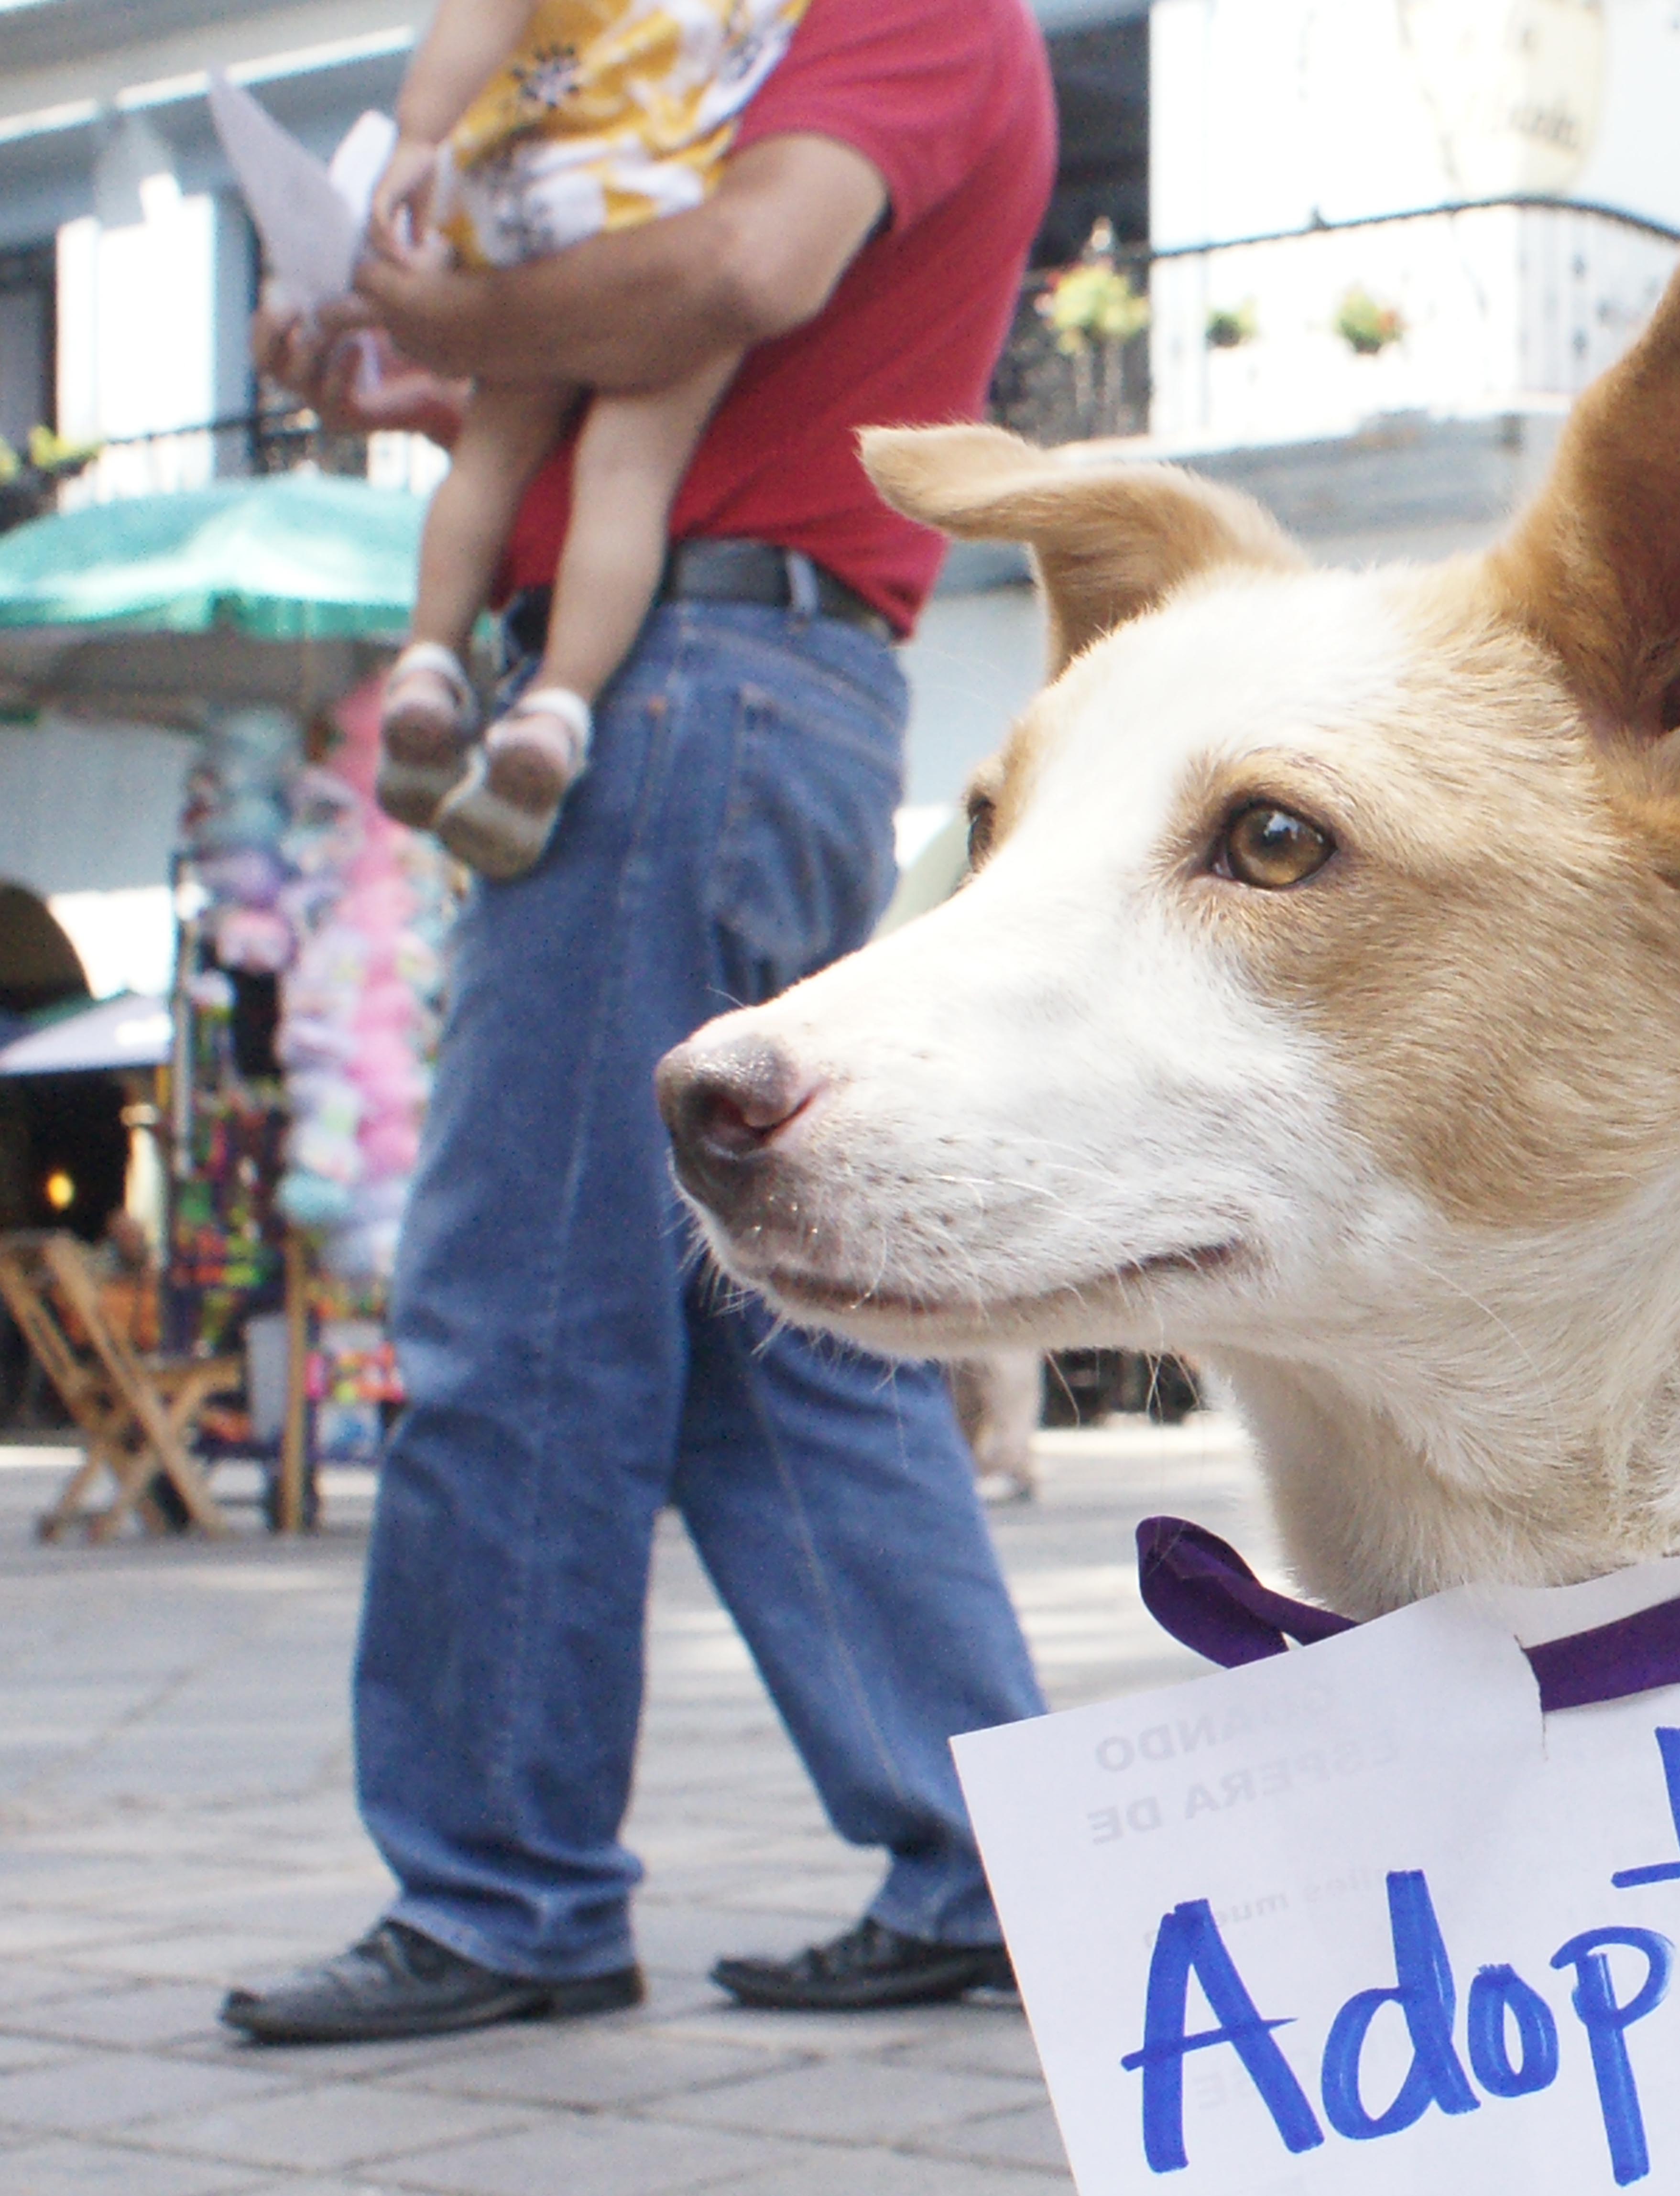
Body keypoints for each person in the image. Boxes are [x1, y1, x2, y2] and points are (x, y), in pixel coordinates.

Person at [221, 0, 1059, 2044]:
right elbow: (672, 338)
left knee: (526, 1300)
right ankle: (1002, 1860)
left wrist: (459, 303)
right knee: (760, 1348)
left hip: (684, 673)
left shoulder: (911, 13)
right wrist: (426, 355)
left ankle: (503, 1889)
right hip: (721, 668)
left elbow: (735, 267)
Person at [367, 0, 805, 877]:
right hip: (669, 203)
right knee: (628, 477)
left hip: (532, 197)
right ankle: (556, 713)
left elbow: (481, 18)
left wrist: (417, 140)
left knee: (491, 456)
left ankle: (428, 665)